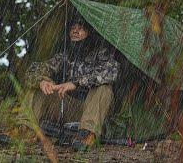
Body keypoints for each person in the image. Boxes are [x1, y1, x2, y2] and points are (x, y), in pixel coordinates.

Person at [25, 17, 120, 151]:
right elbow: (33, 70)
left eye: (80, 28)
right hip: (69, 108)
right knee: (39, 86)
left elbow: (112, 72)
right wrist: (42, 81)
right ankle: (25, 130)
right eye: (72, 29)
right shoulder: (65, 55)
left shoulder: (101, 53)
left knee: (104, 88)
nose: (75, 31)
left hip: (92, 111)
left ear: (89, 33)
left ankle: (86, 136)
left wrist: (75, 83)